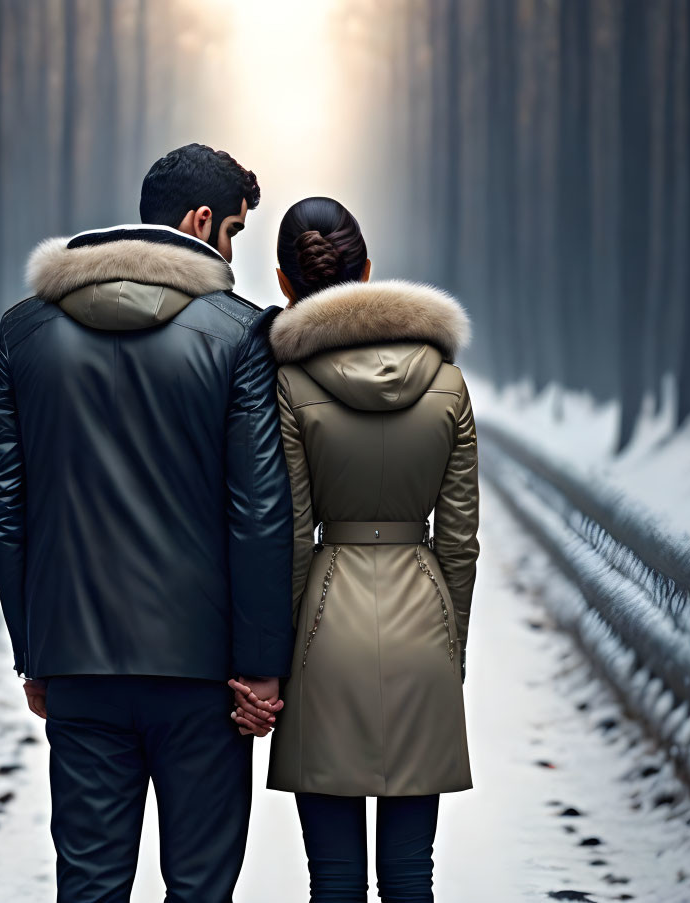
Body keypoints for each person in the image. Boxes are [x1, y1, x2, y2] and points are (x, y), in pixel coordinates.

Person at [0, 143, 294, 902]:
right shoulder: (240, 334)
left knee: (88, 884)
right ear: (200, 220)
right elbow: (257, 509)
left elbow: (3, 507)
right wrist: (257, 665)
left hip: (79, 662)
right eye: (235, 232)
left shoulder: (26, 331)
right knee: (199, 886)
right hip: (203, 674)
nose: (233, 251)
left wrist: (36, 650)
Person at [233, 196, 479, 902]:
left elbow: (289, 534)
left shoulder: (287, 382)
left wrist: (275, 659)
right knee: (410, 874)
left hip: (324, 626)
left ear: (284, 283)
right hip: (423, 623)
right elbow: (459, 539)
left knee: (333, 878)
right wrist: (448, 645)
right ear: (368, 270)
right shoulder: (446, 380)